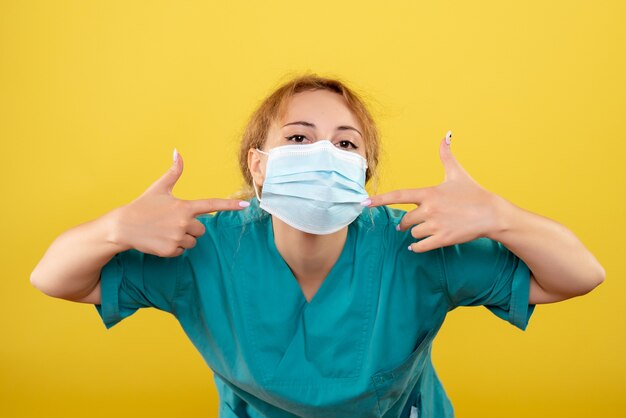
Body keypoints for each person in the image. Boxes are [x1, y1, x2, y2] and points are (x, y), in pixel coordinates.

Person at [30, 73, 606, 418]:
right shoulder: (204, 249)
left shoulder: (417, 246)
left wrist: (500, 217)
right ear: (259, 167)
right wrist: (115, 228)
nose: (324, 155)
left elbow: (579, 274)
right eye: (299, 137)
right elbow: (54, 278)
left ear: (363, 174)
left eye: (346, 144)